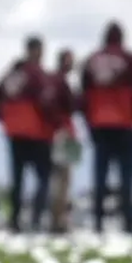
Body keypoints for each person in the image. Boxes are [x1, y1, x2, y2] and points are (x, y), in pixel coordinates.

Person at [0, 35, 66, 233]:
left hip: (15, 134)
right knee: (43, 177)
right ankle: (36, 219)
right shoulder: (37, 75)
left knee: (17, 179)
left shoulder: (11, 75)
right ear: (38, 51)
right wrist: (56, 124)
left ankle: (15, 221)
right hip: (38, 134)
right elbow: (47, 103)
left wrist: (6, 119)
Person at [80, 20, 132, 235]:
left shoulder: (91, 61)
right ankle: (127, 222)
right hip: (125, 124)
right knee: (126, 177)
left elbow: (83, 97)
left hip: (99, 124)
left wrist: (88, 122)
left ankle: (98, 222)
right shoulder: (131, 60)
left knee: (100, 175)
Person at [48, 48, 81, 233]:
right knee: (63, 180)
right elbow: (74, 104)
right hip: (64, 133)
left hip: (63, 132)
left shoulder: (56, 81)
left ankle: (59, 218)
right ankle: (59, 220)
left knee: (62, 180)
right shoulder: (62, 82)